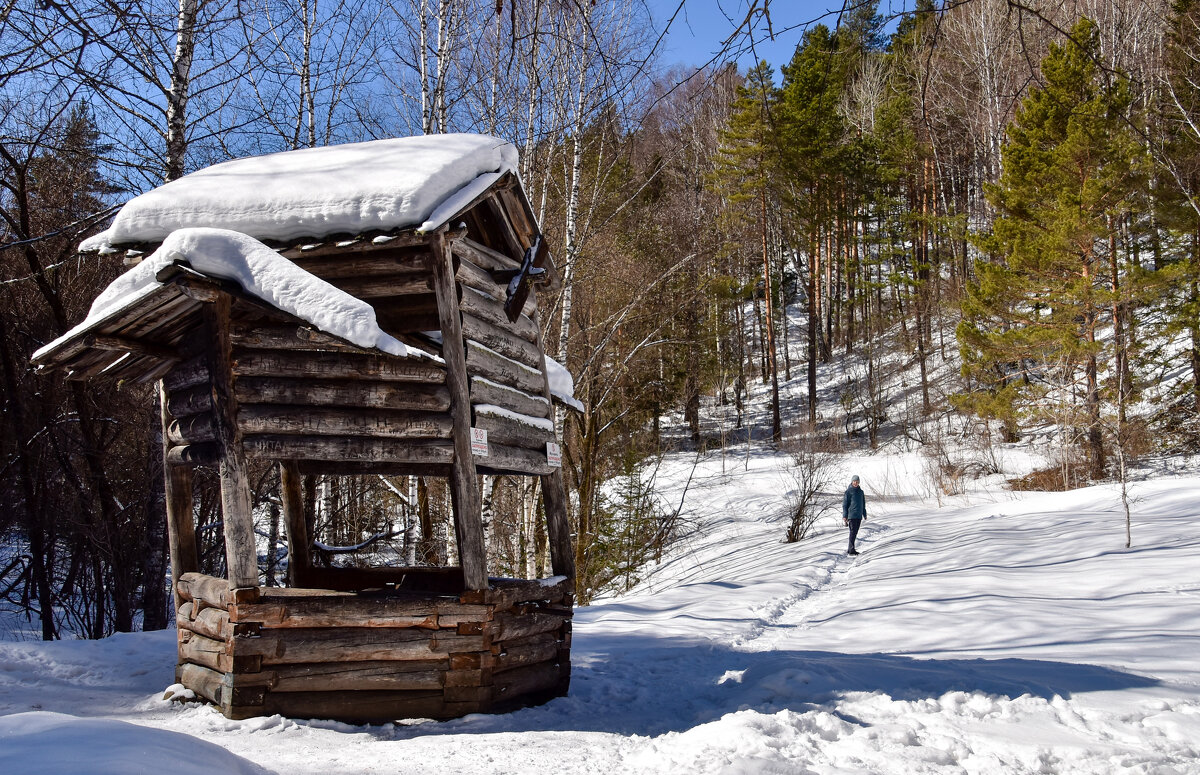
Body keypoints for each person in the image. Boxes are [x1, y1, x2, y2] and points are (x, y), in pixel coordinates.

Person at [842, 474, 866, 555]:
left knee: (855, 532)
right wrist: (845, 516)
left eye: (857, 481)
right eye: (854, 481)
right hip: (851, 515)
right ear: (852, 482)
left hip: (858, 515)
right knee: (852, 532)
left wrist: (864, 513)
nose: (855, 483)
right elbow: (845, 504)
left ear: (859, 482)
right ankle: (851, 550)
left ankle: (850, 549)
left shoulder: (861, 492)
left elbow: (863, 504)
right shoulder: (848, 492)